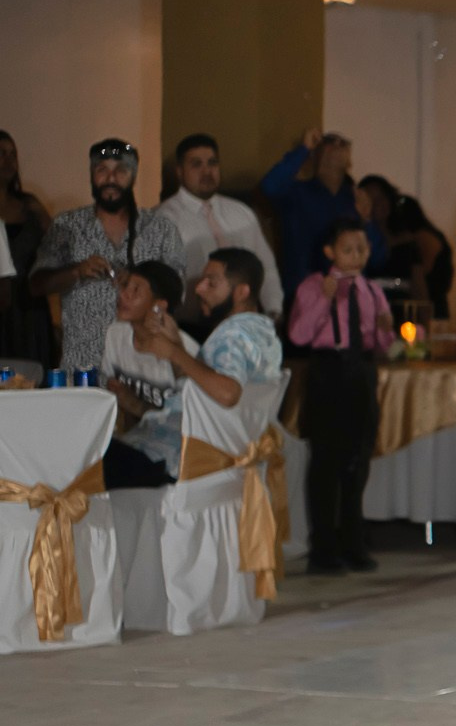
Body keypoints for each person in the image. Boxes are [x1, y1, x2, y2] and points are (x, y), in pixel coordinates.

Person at [102, 248, 284, 490]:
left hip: (176, 457)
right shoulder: (263, 332)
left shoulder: (231, 336)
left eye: (212, 283)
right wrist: (177, 345)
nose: (199, 289)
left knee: (83, 461)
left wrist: (174, 352)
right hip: (212, 456)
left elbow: (228, 393)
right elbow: (205, 391)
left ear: (242, 292)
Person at [288, 218, 394, 575]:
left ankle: (353, 542)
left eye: (362, 248)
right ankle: (323, 547)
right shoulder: (314, 285)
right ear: (330, 251)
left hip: (361, 372)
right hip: (327, 371)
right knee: (326, 462)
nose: (357, 256)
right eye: (348, 249)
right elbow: (299, 335)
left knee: (358, 459)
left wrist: (384, 333)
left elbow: (380, 343)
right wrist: (324, 301)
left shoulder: (371, 290)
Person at [29, 139, 184, 375]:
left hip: (143, 364)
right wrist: (75, 272)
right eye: (102, 170)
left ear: (133, 176)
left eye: (120, 170)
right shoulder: (66, 225)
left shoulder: (161, 228)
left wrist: (139, 282)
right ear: (91, 175)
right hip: (83, 365)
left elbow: (176, 292)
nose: (111, 179)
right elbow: (36, 285)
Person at [154, 133, 284, 318]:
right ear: (180, 171)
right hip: (191, 324)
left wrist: (274, 310)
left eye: (212, 163)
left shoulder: (241, 213)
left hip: (244, 322)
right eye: (196, 164)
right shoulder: (164, 219)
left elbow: (266, 268)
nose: (207, 171)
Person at [262, 129, 385, 294]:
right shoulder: (296, 193)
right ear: (315, 154)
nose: (336, 145)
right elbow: (269, 186)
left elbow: (377, 258)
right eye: (329, 141)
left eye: (342, 142)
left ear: (349, 160)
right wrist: (303, 149)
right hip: (304, 296)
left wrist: (367, 219)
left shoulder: (355, 199)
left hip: (349, 298)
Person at [101, 261, 196, 430]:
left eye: (136, 290)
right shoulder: (115, 335)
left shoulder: (184, 350)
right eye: (125, 286)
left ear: (159, 306)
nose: (123, 295)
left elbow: (189, 419)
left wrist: (136, 405)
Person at [361, 174, 454, 320]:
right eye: (370, 200)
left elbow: (419, 285)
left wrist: (425, 318)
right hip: (368, 311)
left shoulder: (408, 242)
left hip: (403, 313)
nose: (376, 204)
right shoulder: (355, 243)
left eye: (381, 198)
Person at [0, 129, 55, 367]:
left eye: (13, 154)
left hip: (29, 306)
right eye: (1, 153)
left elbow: (57, 245)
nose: (9, 161)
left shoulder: (29, 205)